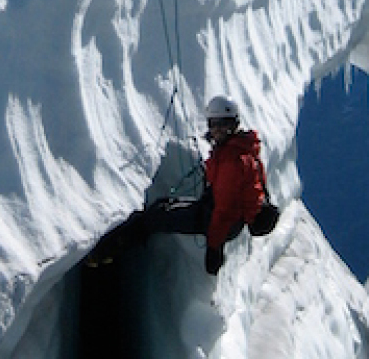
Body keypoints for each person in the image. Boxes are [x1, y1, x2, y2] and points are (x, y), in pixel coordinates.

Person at [85, 95, 278, 275]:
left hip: (220, 221)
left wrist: (214, 248)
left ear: (234, 125)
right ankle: (110, 248)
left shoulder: (233, 160)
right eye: (214, 124)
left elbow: (224, 211)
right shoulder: (237, 149)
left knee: (156, 218)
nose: (217, 130)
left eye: (223, 125)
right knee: (162, 207)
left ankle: (104, 251)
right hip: (217, 213)